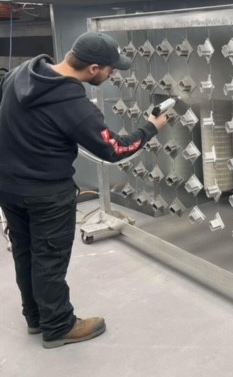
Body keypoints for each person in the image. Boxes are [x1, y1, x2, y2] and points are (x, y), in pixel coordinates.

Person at [0, 32, 169, 348]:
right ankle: (58, 326)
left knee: (25, 252)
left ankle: (35, 317)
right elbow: (115, 149)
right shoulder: (72, 105)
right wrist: (151, 128)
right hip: (47, 194)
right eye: (110, 69)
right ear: (94, 68)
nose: (112, 74)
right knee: (49, 258)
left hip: (8, 187)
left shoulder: (21, 74)